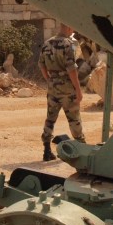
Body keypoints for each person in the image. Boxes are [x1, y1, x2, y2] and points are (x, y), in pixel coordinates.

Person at [39, 23, 85, 161]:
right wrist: (78, 89)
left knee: (50, 119)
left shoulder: (47, 43)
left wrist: (49, 80)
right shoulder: (68, 44)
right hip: (67, 89)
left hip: (53, 88)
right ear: (69, 28)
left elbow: (41, 65)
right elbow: (71, 69)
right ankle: (82, 150)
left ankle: (47, 150)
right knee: (74, 119)